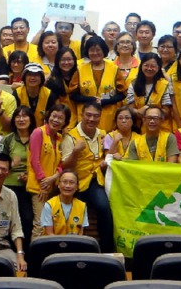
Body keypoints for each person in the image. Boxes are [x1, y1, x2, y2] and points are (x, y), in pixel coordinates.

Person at [61, 101, 114, 251]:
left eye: (96, 116)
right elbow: (65, 166)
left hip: (97, 180)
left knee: (105, 208)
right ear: (82, 115)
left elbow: (107, 155)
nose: (91, 119)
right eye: (88, 115)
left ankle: (107, 251)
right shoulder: (70, 136)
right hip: (75, 181)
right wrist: (75, 152)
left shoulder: (103, 134)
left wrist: (110, 157)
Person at [28, 103, 70, 237]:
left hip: (52, 186)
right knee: (40, 224)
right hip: (38, 187)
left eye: (60, 118)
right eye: (54, 116)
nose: (56, 120)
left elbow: (59, 164)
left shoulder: (58, 138)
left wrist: (54, 178)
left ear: (65, 122)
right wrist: (44, 183)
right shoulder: (38, 132)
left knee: (49, 224)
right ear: (48, 116)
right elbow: (34, 160)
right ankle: (33, 256)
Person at [0, 106, 35, 248]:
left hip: (31, 184)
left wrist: (29, 175)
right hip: (10, 184)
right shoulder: (8, 139)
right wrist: (12, 164)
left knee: (27, 218)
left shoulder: (37, 137)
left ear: (31, 120)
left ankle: (24, 252)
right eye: (18, 116)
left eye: (25, 116)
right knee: (8, 218)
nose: (21, 119)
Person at [78, 37, 126, 132]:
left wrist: (105, 102)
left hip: (108, 116)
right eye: (91, 50)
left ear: (104, 50)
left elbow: (122, 94)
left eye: (98, 50)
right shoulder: (80, 69)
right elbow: (73, 94)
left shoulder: (114, 69)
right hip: (87, 116)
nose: (95, 53)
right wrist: (91, 100)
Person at [41, 171, 89, 236]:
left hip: (74, 244)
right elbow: (49, 233)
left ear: (77, 186)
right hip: (52, 243)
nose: (67, 186)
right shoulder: (49, 205)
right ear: (58, 185)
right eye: (64, 182)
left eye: (71, 182)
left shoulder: (82, 206)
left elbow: (80, 234)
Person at [126, 53, 172, 121]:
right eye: (146, 65)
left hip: (159, 126)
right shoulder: (134, 84)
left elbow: (166, 111)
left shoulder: (164, 84)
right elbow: (130, 108)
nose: (149, 68)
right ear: (141, 66)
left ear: (158, 68)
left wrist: (148, 111)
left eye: (153, 66)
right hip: (139, 126)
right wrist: (138, 111)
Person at [46, 48, 81, 128]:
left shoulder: (81, 75)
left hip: (81, 117)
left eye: (69, 59)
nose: (66, 63)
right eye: (62, 60)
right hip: (62, 121)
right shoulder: (52, 80)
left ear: (74, 60)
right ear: (57, 61)